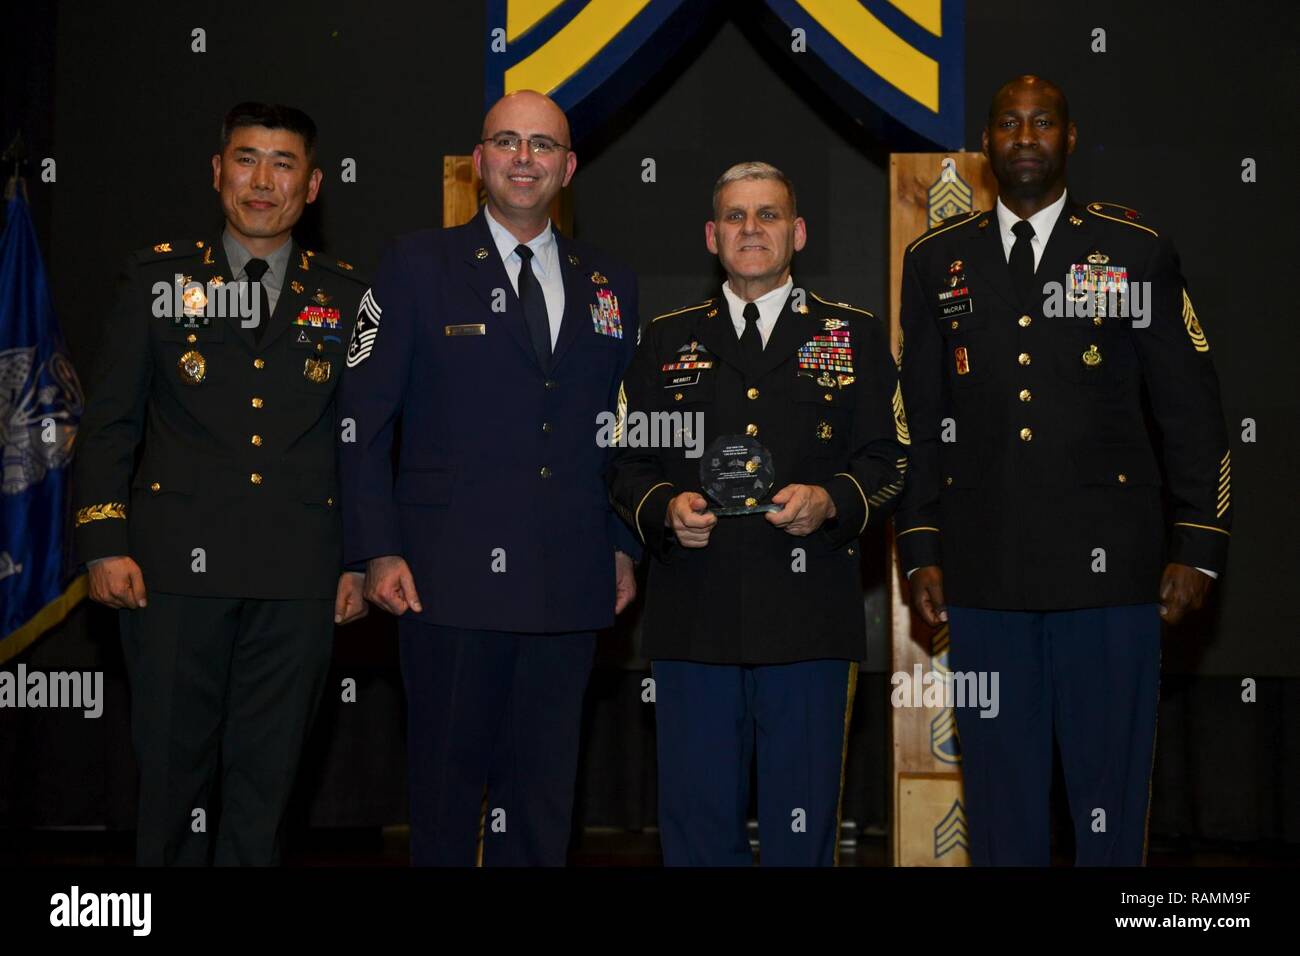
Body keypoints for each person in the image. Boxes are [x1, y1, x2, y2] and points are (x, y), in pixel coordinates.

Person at [895, 76, 1231, 865]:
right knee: (1004, 810)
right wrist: (920, 542)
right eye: (1008, 123)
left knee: (1108, 809)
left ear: (1069, 139)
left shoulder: (1133, 249)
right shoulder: (936, 259)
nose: (1024, 136)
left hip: (1111, 580)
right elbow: (916, 415)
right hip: (986, 575)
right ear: (985, 144)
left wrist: (1200, 541)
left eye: (1042, 122)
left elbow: (1192, 408)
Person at [337, 90, 640, 866]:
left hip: (569, 578)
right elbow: (363, 422)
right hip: (445, 575)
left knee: (542, 800)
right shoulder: (416, 264)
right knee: (444, 795)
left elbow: (623, 430)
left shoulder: (610, 280)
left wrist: (619, 544)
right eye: (507, 142)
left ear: (568, 167)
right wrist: (376, 548)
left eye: (543, 145)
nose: (524, 158)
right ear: (479, 162)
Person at [72, 102, 369, 865]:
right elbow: (109, 425)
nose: (262, 180)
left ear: (312, 186)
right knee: (170, 786)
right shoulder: (155, 279)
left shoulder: (348, 295)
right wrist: (104, 539)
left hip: (298, 577)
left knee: (266, 793)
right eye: (246, 159)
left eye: (283, 164)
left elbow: (365, 440)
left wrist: (360, 557)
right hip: (170, 575)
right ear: (217, 172)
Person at [608, 162, 907, 865]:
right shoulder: (663, 339)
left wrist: (832, 499)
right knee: (696, 825)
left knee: (801, 834)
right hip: (693, 619)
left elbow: (892, 459)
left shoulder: (854, 335)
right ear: (712, 237)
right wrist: (663, 510)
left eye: (767, 215)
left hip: (808, 622)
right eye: (736, 217)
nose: (751, 229)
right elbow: (626, 462)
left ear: (796, 233)